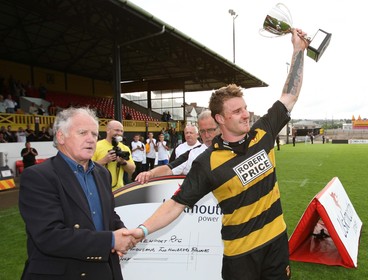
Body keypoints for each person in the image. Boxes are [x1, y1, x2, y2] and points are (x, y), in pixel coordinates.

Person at [127, 29, 308, 280]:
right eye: (237, 111)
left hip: (276, 240)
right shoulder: (207, 162)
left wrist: (299, 50)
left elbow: (289, 96)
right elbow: (176, 204)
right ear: (220, 119)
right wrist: (142, 230)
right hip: (240, 255)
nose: (246, 114)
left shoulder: (262, 132)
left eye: (245, 108)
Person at [19, 107, 138, 279]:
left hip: (104, 271)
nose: (91, 139)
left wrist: (122, 231)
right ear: (61, 136)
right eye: (82, 133)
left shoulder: (102, 172)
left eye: (94, 134)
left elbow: (108, 214)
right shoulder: (38, 176)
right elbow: (49, 236)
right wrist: (111, 241)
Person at [135, 110, 219, 183]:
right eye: (203, 131)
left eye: (210, 130)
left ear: (220, 128)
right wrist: (150, 173)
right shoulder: (191, 153)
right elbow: (169, 168)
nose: (207, 135)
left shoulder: (231, 150)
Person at [92, 120, 135, 190]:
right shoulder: (96, 146)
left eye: (121, 131)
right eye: (117, 130)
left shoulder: (125, 148)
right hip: (100, 189)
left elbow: (132, 170)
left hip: (119, 190)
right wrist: (104, 161)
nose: (120, 133)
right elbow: (86, 167)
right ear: (108, 130)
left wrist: (123, 162)